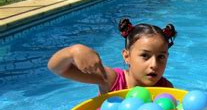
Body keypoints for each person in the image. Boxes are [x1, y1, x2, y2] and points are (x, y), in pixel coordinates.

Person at [48, 18, 177, 93]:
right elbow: (57, 68)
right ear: (127, 56)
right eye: (145, 55)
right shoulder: (110, 80)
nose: (154, 65)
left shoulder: (166, 88)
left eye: (161, 57)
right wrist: (73, 51)